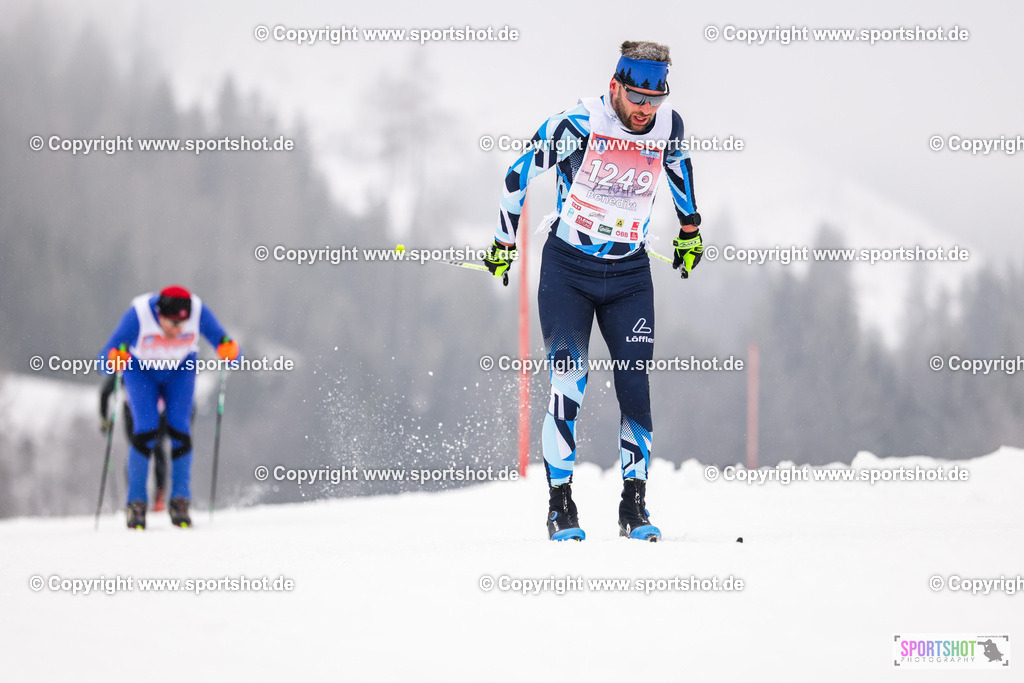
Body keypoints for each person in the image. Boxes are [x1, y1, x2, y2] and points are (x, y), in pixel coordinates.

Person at [484, 41, 702, 541]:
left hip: (629, 278)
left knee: (635, 391)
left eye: (656, 98)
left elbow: (681, 173)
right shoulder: (577, 125)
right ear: (615, 88)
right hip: (568, 272)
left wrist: (691, 230)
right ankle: (561, 505)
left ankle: (635, 506)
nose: (646, 108)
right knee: (569, 384)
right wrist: (503, 243)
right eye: (636, 97)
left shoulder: (668, 127)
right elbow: (516, 176)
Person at [99, 285, 239, 530]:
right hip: (141, 371)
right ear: (159, 314)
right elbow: (103, 361)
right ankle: (136, 504)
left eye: (182, 325)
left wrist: (230, 351)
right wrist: (113, 359)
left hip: (180, 370)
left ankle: (180, 500)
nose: (177, 330)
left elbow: (225, 342)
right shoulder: (139, 314)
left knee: (179, 428)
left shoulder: (197, 310)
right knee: (146, 429)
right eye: (172, 323)